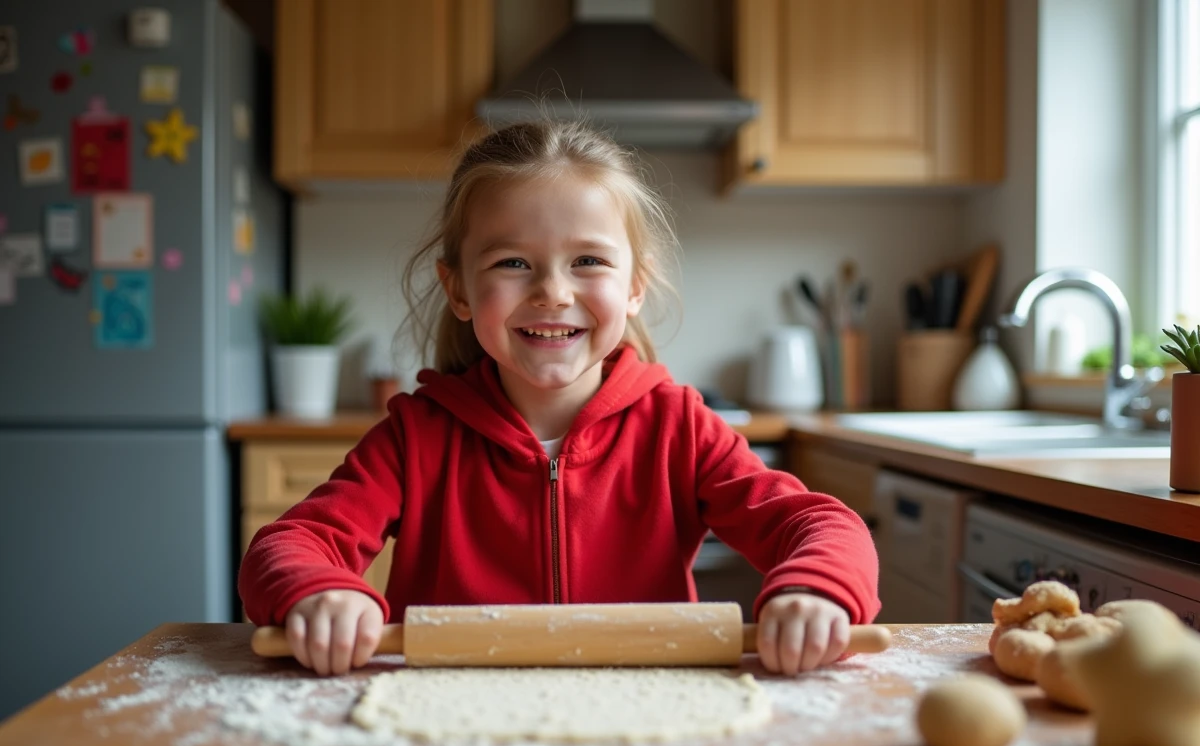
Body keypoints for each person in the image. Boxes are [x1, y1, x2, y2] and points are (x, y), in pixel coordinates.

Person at [239, 119, 880, 679]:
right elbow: (287, 545)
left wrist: (815, 589)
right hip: (455, 719)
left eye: (588, 262)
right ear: (459, 289)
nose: (552, 292)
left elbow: (821, 526)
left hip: (645, 713)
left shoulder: (678, 427)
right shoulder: (417, 436)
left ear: (634, 286)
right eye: (512, 263)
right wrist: (317, 592)